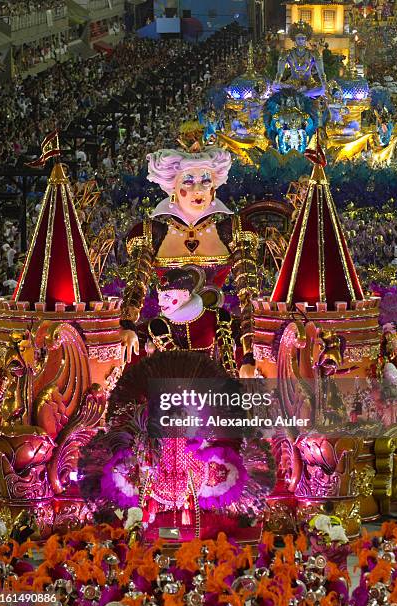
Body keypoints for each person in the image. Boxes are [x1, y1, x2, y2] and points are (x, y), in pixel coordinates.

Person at [119, 147, 259, 378]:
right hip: (164, 332)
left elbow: (248, 294)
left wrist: (249, 352)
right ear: (172, 187)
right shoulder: (151, 232)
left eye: (205, 181)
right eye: (189, 180)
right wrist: (127, 323)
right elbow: (137, 283)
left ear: (215, 187)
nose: (198, 189)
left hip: (217, 331)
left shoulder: (233, 231)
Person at [148, 266, 238, 376]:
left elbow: (227, 356)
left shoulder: (216, 316)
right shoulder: (159, 325)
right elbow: (174, 361)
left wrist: (233, 383)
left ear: (185, 294)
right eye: (159, 296)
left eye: (167, 296)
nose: (160, 303)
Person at [273, 20, 327, 98]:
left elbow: (321, 73)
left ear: (306, 39)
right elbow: (279, 73)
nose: (300, 41)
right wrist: (277, 82)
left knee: (323, 89)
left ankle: (301, 94)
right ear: (294, 39)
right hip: (292, 84)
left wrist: (324, 83)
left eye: (302, 38)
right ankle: (301, 94)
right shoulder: (286, 54)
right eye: (298, 38)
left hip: (309, 84)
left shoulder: (314, 54)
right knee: (276, 86)